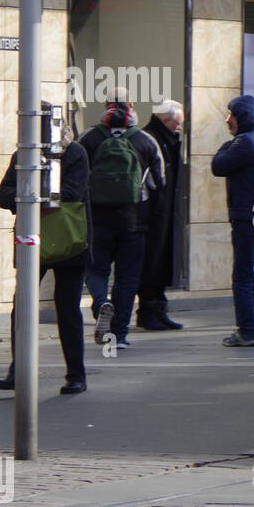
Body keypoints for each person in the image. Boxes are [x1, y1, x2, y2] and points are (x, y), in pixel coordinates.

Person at [0, 116, 92, 394]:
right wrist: (36, 197)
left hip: (69, 241)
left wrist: (30, 195)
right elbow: (2, 195)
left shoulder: (76, 153)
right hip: (30, 239)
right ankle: (18, 371)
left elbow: (72, 193)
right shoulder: (23, 154)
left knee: (68, 308)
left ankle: (76, 374)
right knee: (22, 306)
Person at [79, 90, 165, 350]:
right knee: (127, 278)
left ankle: (100, 301)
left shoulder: (89, 138)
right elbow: (158, 183)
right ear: (132, 107)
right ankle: (118, 336)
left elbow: (76, 178)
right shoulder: (145, 141)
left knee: (96, 270)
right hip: (133, 222)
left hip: (97, 221)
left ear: (106, 106)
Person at [212, 94, 254, 347]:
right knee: (246, 270)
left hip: (250, 218)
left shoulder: (245, 143)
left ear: (244, 117)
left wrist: (226, 146)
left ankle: (247, 331)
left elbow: (218, 166)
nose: (227, 120)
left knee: (241, 276)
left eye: (232, 115)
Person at [137, 100, 186, 331]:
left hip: (166, 213)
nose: (179, 129)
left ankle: (159, 309)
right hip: (152, 214)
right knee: (151, 264)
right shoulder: (151, 139)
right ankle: (147, 312)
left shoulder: (169, 140)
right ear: (165, 120)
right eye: (177, 124)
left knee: (162, 263)